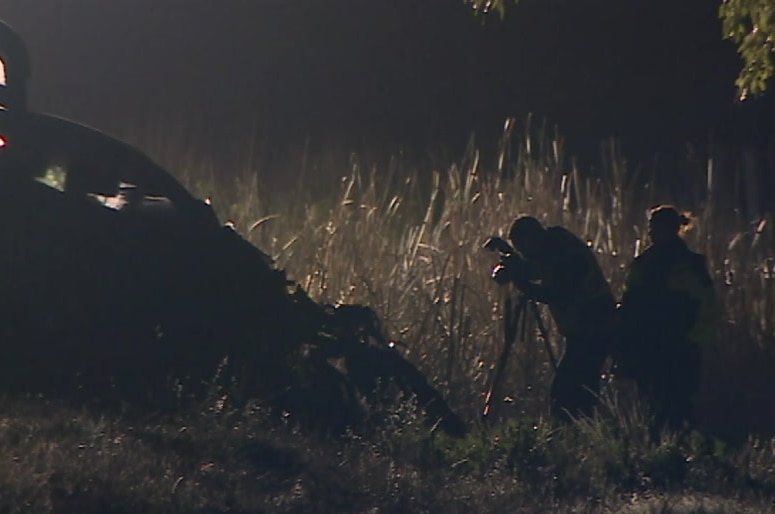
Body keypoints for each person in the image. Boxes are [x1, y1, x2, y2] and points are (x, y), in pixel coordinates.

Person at [489, 215, 617, 421]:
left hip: (593, 327)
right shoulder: (551, 249)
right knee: (574, 389)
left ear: (534, 238)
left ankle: (576, 433)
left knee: (570, 391)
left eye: (523, 248)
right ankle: (578, 431)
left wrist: (521, 282)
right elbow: (533, 270)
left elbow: (555, 293)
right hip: (582, 330)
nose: (525, 253)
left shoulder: (567, 254)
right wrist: (511, 259)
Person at [616, 205, 717, 434]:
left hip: (678, 346)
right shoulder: (643, 263)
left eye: (655, 227)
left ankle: (680, 454)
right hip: (648, 345)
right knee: (652, 404)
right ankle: (659, 453)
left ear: (670, 229)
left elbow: (707, 306)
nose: (650, 233)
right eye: (650, 227)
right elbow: (629, 302)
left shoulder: (690, 266)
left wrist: (692, 340)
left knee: (677, 406)